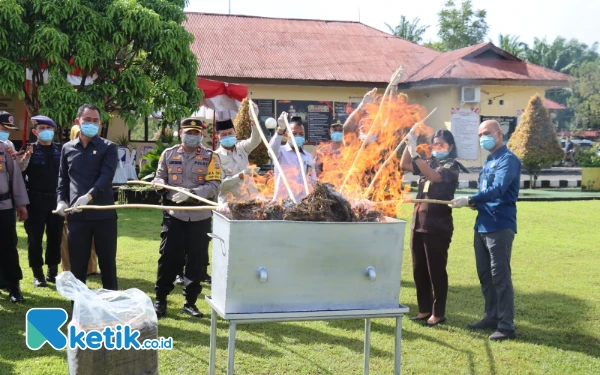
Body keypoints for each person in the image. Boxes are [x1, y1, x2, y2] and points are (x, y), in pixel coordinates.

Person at [449, 120, 522, 341]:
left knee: (500, 276)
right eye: (480, 134)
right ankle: (491, 316)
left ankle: (506, 326)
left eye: (487, 133)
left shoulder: (508, 160)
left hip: (499, 225)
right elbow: (485, 192)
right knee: (485, 275)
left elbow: (498, 189)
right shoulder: (490, 160)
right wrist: (475, 203)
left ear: (499, 134)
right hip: (482, 224)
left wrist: (470, 198)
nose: (483, 138)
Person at [152, 118, 222, 318]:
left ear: (201, 135)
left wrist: (191, 193)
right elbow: (160, 176)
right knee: (169, 257)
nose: (192, 136)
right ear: (180, 134)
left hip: (200, 214)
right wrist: (158, 183)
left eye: (196, 133)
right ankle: (161, 300)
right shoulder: (168, 154)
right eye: (188, 132)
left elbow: (214, 186)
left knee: (197, 260)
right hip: (174, 213)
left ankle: (190, 302)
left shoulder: (211, 157)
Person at [401, 128, 461, 326]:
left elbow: (435, 177)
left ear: (450, 147)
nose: (437, 147)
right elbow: (405, 164)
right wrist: (409, 142)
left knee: (436, 269)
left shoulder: (451, 166)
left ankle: (438, 312)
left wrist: (416, 152)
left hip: (437, 225)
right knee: (419, 269)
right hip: (418, 223)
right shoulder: (430, 163)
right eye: (435, 144)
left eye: (441, 144)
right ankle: (424, 308)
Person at [55, 104, 118, 290]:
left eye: (95, 120)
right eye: (87, 120)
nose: (92, 124)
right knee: (78, 267)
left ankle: (110, 310)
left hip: (103, 215)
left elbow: (106, 177)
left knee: (107, 265)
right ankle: (78, 311)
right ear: (78, 122)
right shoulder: (67, 148)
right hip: (77, 217)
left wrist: (88, 196)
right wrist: (60, 199)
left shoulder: (109, 147)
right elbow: (63, 178)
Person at [21, 115, 64, 287]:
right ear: (34, 131)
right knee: (35, 239)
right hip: (35, 200)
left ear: (54, 130)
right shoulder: (29, 149)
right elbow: (20, 175)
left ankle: (52, 273)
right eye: (42, 128)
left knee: (55, 238)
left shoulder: (61, 150)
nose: (46, 131)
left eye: (49, 128)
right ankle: (37, 274)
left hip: (56, 200)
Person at [60, 124, 100, 276]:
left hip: (91, 200)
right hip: (71, 201)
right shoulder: (68, 151)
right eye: (77, 135)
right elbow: (63, 178)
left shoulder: (96, 152)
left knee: (92, 238)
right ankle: (68, 268)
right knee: (68, 237)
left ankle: (91, 267)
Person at [0, 111, 29, 302]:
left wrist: (21, 204)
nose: (6, 133)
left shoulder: (7, 147)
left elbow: (16, 177)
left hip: (3, 205)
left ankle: (14, 287)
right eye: (4, 128)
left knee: (8, 246)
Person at [214, 102, 261, 203]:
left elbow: (255, 140)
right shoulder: (215, 157)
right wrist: (240, 176)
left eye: (230, 133)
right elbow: (219, 186)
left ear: (235, 132)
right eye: (223, 134)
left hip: (252, 200)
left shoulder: (241, 147)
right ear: (217, 137)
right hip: (231, 205)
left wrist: (254, 120)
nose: (227, 136)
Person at [269, 113, 317, 202]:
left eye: (301, 134)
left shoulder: (308, 156)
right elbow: (271, 150)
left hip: (303, 204)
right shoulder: (281, 152)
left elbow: (313, 180)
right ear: (287, 135)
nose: (298, 136)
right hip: (282, 203)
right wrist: (280, 129)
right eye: (294, 133)